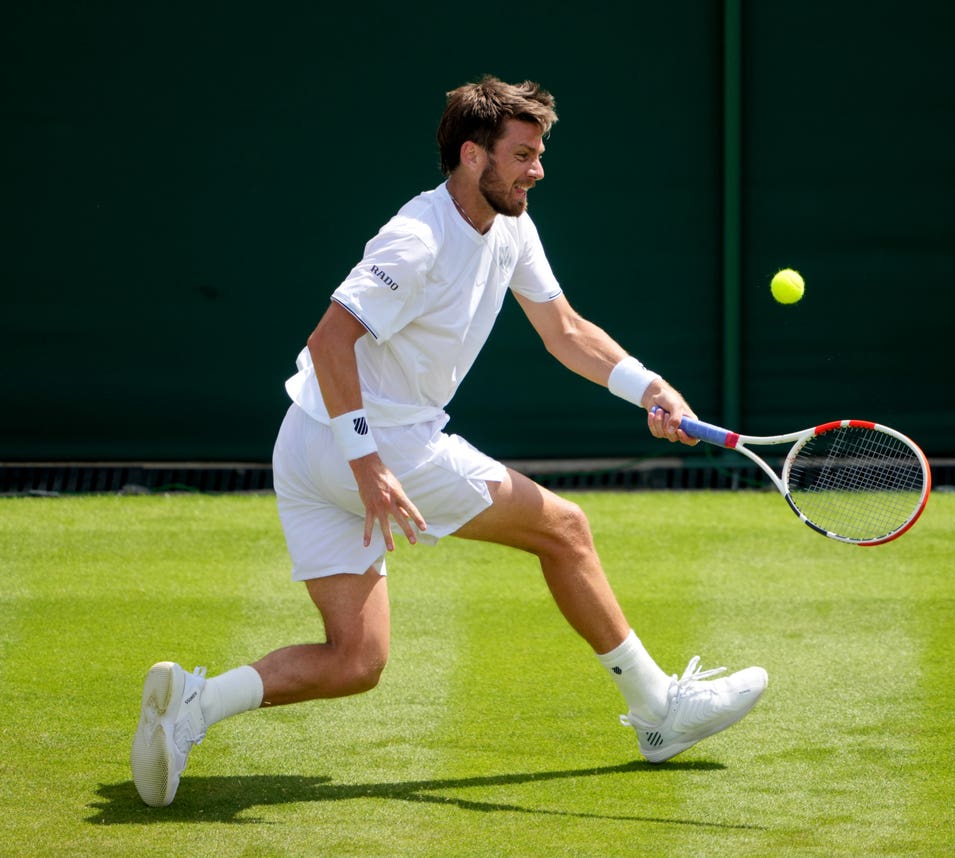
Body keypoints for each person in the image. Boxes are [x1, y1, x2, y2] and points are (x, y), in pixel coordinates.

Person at [130, 75, 767, 808]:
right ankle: (659, 712)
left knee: (355, 660)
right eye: (523, 154)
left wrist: (649, 387)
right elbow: (329, 341)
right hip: (373, 446)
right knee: (564, 528)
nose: (538, 169)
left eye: (539, 153)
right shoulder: (418, 238)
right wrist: (367, 462)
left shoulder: (512, 228)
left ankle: (193, 705)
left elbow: (565, 331)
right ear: (472, 155)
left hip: (307, 444)